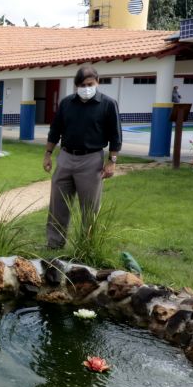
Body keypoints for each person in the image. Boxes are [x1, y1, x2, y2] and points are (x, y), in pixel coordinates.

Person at [43, 65, 122, 249]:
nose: (86, 88)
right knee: (58, 203)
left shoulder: (108, 104)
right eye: (81, 85)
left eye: (89, 84)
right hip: (65, 157)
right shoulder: (66, 103)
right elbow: (55, 131)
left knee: (89, 207)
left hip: (91, 159)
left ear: (97, 82)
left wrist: (112, 161)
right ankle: (54, 243)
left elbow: (115, 135)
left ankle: (88, 245)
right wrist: (48, 154)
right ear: (76, 85)